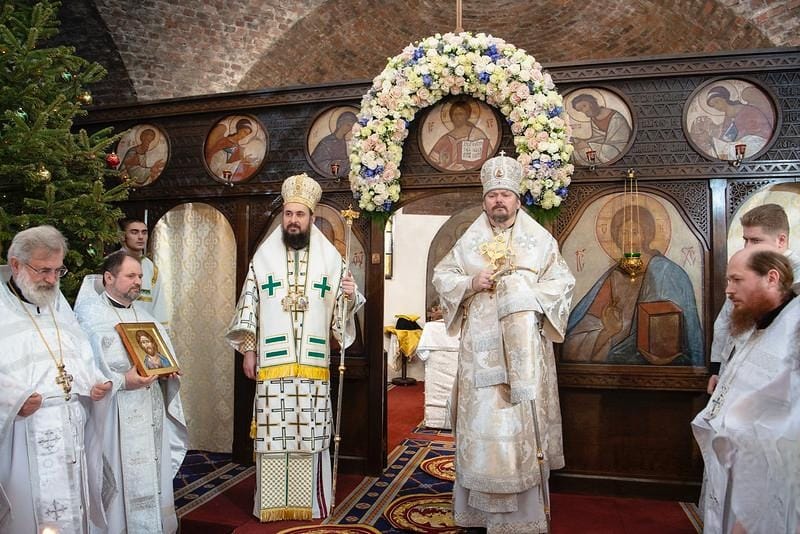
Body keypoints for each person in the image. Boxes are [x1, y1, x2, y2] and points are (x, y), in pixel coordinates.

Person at [432, 154, 575, 533]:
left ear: (517, 200)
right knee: (484, 430)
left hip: (524, 358)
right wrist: (469, 283)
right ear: (484, 201)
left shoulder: (539, 241)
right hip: (480, 361)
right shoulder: (469, 241)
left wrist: (525, 294)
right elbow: (442, 275)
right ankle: (476, 513)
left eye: (505, 195)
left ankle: (522, 517)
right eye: (493, 194)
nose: (499, 201)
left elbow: (563, 285)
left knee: (519, 435)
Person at [225, 172, 365, 522]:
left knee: (310, 436)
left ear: (311, 217)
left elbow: (344, 308)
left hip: (315, 362)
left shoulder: (331, 259)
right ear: (282, 216)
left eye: (299, 214)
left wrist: (349, 294)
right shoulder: (263, 258)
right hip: (273, 363)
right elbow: (249, 305)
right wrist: (250, 350)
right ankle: (270, 505)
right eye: (288, 214)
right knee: (275, 436)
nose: (292, 220)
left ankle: (313, 503)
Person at [0, 225, 113, 533]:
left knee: (73, 512)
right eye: (43, 270)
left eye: (57, 270)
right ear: (16, 265)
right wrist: (13, 399)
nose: (52, 280)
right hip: (23, 433)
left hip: (69, 427)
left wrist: (95, 381)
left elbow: (79, 350)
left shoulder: (56, 300)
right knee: (28, 516)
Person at [74, 250, 188, 533]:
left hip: (149, 412)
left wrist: (167, 374)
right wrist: (123, 380)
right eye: (131, 276)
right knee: (118, 484)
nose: (138, 282)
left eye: (139, 276)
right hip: (112, 416)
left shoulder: (145, 316)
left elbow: (160, 360)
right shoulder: (89, 319)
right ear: (109, 277)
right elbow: (82, 373)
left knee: (151, 476)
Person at [691, 246, 799, 533]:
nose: (728, 290)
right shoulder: (757, 324)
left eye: (737, 280)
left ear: (771, 278)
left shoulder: (793, 332)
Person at [563, 204, 704, 365]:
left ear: (647, 235)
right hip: (618, 367)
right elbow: (576, 336)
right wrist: (608, 332)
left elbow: (685, 331)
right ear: (616, 237)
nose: (629, 239)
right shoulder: (614, 276)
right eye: (624, 233)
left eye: (635, 232)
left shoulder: (668, 272)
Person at [707, 203, 800, 393]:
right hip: (733, 370)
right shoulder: (746, 269)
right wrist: (717, 369)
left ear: (781, 241)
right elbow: (726, 321)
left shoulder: (796, 278)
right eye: (745, 240)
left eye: (756, 241)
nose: (747, 247)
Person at [119, 217, 169, 331]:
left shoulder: (151, 268)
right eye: (134, 232)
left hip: (144, 334)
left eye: (144, 232)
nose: (140, 237)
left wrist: (161, 332)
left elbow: (158, 304)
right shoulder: (112, 264)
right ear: (123, 236)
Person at [428, 100, 491, 171]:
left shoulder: (477, 134)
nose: (457, 117)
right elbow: (432, 159)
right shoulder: (446, 138)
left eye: (460, 114)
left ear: (467, 116)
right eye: (455, 114)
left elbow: (488, 155)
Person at [570, 93, 632, 164]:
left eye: (584, 106)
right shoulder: (594, 118)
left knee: (585, 150)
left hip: (616, 149)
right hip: (603, 148)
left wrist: (588, 145)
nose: (585, 110)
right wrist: (578, 140)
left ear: (592, 102)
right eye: (581, 110)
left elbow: (618, 146)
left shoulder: (617, 119)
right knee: (575, 151)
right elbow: (599, 138)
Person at [310, 110, 357, 177]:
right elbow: (317, 162)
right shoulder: (326, 142)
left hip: (339, 172)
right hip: (327, 171)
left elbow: (342, 159)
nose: (349, 128)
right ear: (340, 123)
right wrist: (338, 163)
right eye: (348, 125)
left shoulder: (342, 141)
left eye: (351, 126)